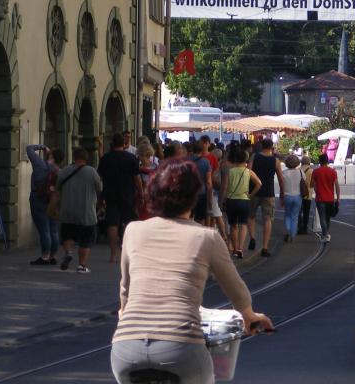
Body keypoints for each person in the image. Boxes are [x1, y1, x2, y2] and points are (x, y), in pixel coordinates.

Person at [110, 158, 273, 384]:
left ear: (153, 193)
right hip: (179, 348)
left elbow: (125, 290)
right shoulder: (207, 237)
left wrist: (125, 313)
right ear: (194, 197)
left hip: (126, 349)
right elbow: (235, 288)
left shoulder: (133, 230)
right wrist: (249, 316)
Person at [98, 134, 143, 263]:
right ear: (124, 144)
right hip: (127, 194)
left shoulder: (106, 158)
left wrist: (100, 197)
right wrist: (141, 193)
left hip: (110, 194)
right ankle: (127, 251)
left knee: (112, 224)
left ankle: (113, 254)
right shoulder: (131, 158)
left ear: (112, 144)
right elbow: (137, 178)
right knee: (129, 223)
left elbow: (100, 176)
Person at [57, 147, 103, 274]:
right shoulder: (92, 172)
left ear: (74, 157)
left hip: (67, 210)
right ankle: (82, 266)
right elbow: (99, 188)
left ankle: (68, 252)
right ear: (86, 158)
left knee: (68, 235)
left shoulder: (64, 171)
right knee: (85, 240)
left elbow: (57, 188)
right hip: (86, 212)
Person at [26, 144, 63, 266]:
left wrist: (42, 147)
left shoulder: (40, 164)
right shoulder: (59, 171)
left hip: (38, 199)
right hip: (53, 200)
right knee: (53, 229)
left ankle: (45, 256)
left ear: (50, 155)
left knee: (44, 229)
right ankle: (53, 256)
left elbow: (29, 149)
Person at [247, 139, 283, 258]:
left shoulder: (254, 157)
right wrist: (282, 193)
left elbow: (248, 172)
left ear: (262, 146)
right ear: (272, 147)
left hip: (254, 191)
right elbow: (281, 178)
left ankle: (252, 237)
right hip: (268, 192)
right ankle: (265, 247)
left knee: (251, 216)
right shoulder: (275, 161)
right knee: (267, 219)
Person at [224, 148, 261, 259]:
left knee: (233, 226)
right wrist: (250, 194)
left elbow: (225, 187)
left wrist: (223, 199)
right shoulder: (248, 171)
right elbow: (259, 183)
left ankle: (234, 249)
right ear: (245, 159)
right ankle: (240, 248)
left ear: (235, 159)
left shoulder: (230, 171)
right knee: (243, 225)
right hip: (244, 200)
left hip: (231, 200)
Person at [311, 154, 340, 243]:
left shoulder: (316, 172)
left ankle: (325, 234)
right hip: (330, 198)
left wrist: (316, 190)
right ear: (327, 161)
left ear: (320, 161)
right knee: (327, 217)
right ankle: (326, 233)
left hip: (320, 198)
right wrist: (338, 198)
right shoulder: (333, 172)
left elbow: (311, 184)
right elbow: (337, 186)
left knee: (322, 217)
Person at [280, 155, 304, 243]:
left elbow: (281, 186)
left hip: (287, 196)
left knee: (287, 215)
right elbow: (304, 182)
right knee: (295, 216)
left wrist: (281, 198)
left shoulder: (284, 173)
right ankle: (293, 234)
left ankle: (288, 230)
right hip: (298, 196)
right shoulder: (301, 172)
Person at [189, 141, 212, 224]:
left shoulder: (186, 160)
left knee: (188, 217)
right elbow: (209, 182)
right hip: (202, 193)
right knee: (200, 219)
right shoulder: (205, 162)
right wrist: (210, 198)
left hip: (189, 193)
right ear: (202, 149)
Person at [297, 156, 315, 235]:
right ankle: (304, 228)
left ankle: (299, 226)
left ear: (302, 162)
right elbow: (312, 185)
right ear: (309, 162)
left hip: (299, 194)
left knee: (298, 211)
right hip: (308, 195)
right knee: (306, 212)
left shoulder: (298, 170)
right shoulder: (312, 171)